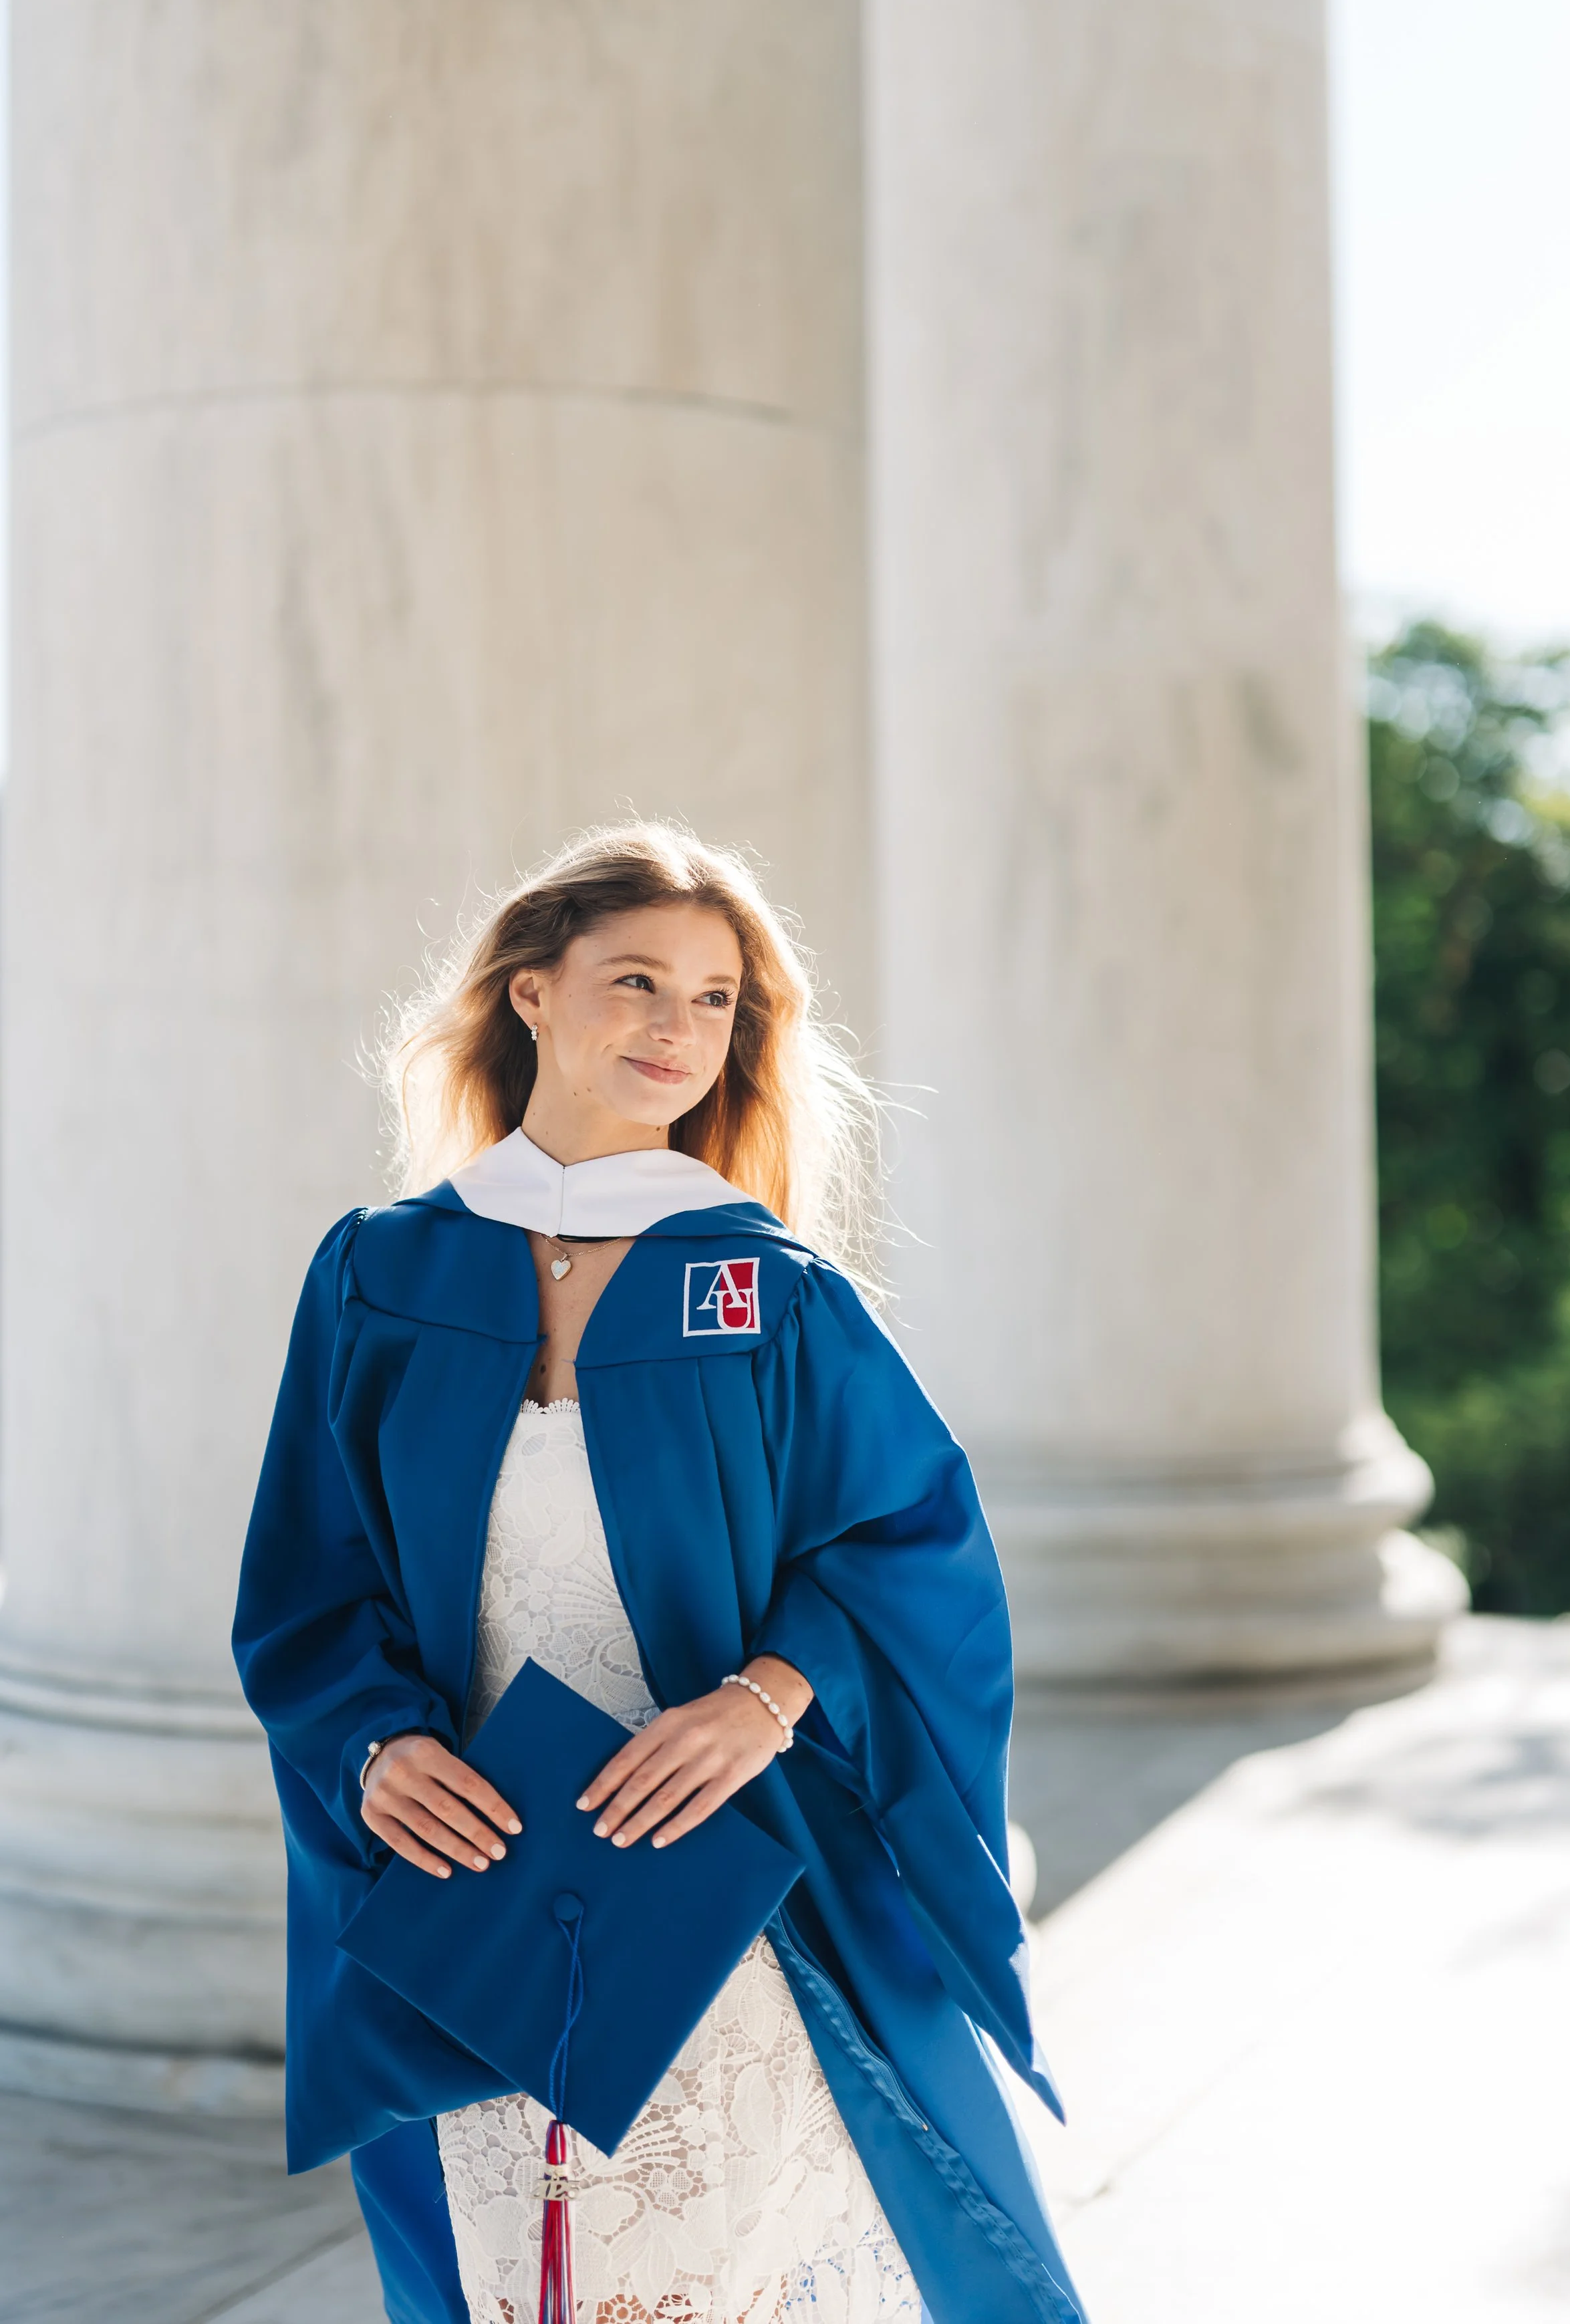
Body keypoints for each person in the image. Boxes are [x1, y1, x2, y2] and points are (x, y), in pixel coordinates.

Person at [234, 822, 1082, 2324]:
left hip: (719, 1875)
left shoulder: (759, 1289)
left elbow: (908, 1543)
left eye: (714, 1000)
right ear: (531, 995)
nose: (677, 1030)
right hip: (485, 1882)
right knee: (519, 2284)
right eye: (636, 981)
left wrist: (763, 1700)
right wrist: (373, 1745)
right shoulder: (383, 1275)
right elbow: (312, 1578)